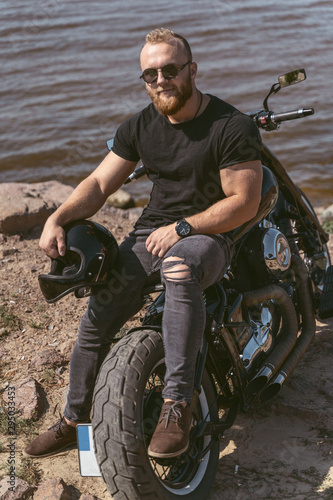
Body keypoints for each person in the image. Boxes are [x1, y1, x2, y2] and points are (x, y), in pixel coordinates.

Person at [24, 27, 262, 459]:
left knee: (180, 269)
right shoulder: (140, 125)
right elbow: (99, 182)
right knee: (98, 314)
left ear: (192, 69)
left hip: (207, 236)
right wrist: (57, 217)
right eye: (150, 74)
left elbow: (244, 202)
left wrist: (185, 228)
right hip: (149, 236)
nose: (160, 80)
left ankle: (177, 406)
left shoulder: (232, 126)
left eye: (170, 69)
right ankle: (74, 420)